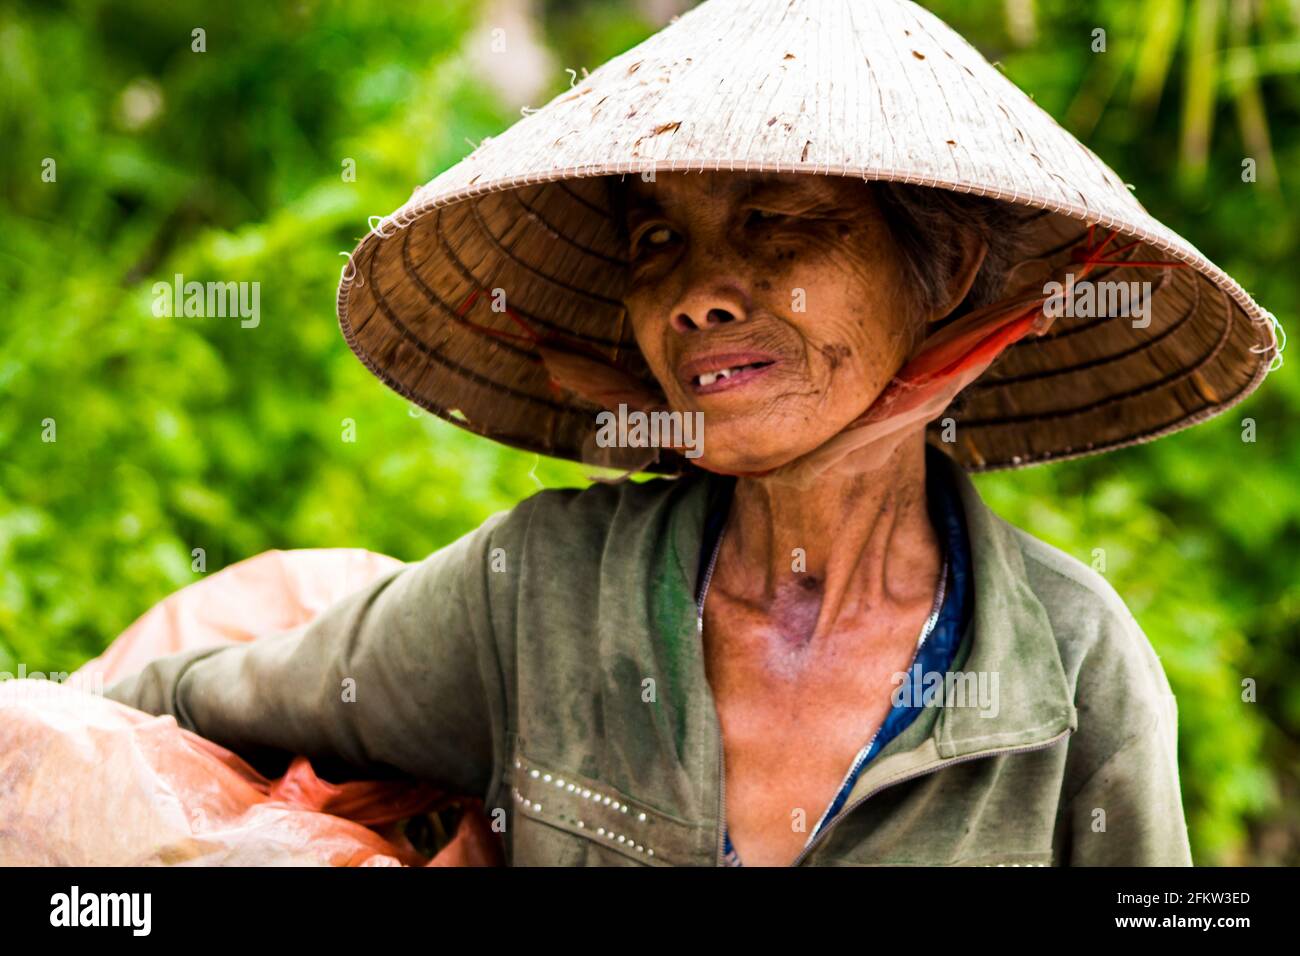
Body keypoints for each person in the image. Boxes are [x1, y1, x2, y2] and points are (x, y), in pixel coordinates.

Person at [104, 0, 1281, 866]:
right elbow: (173, 701)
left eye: (774, 219)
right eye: (657, 239)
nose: (698, 293)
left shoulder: (1071, 663)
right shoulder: (540, 593)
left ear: (946, 266)